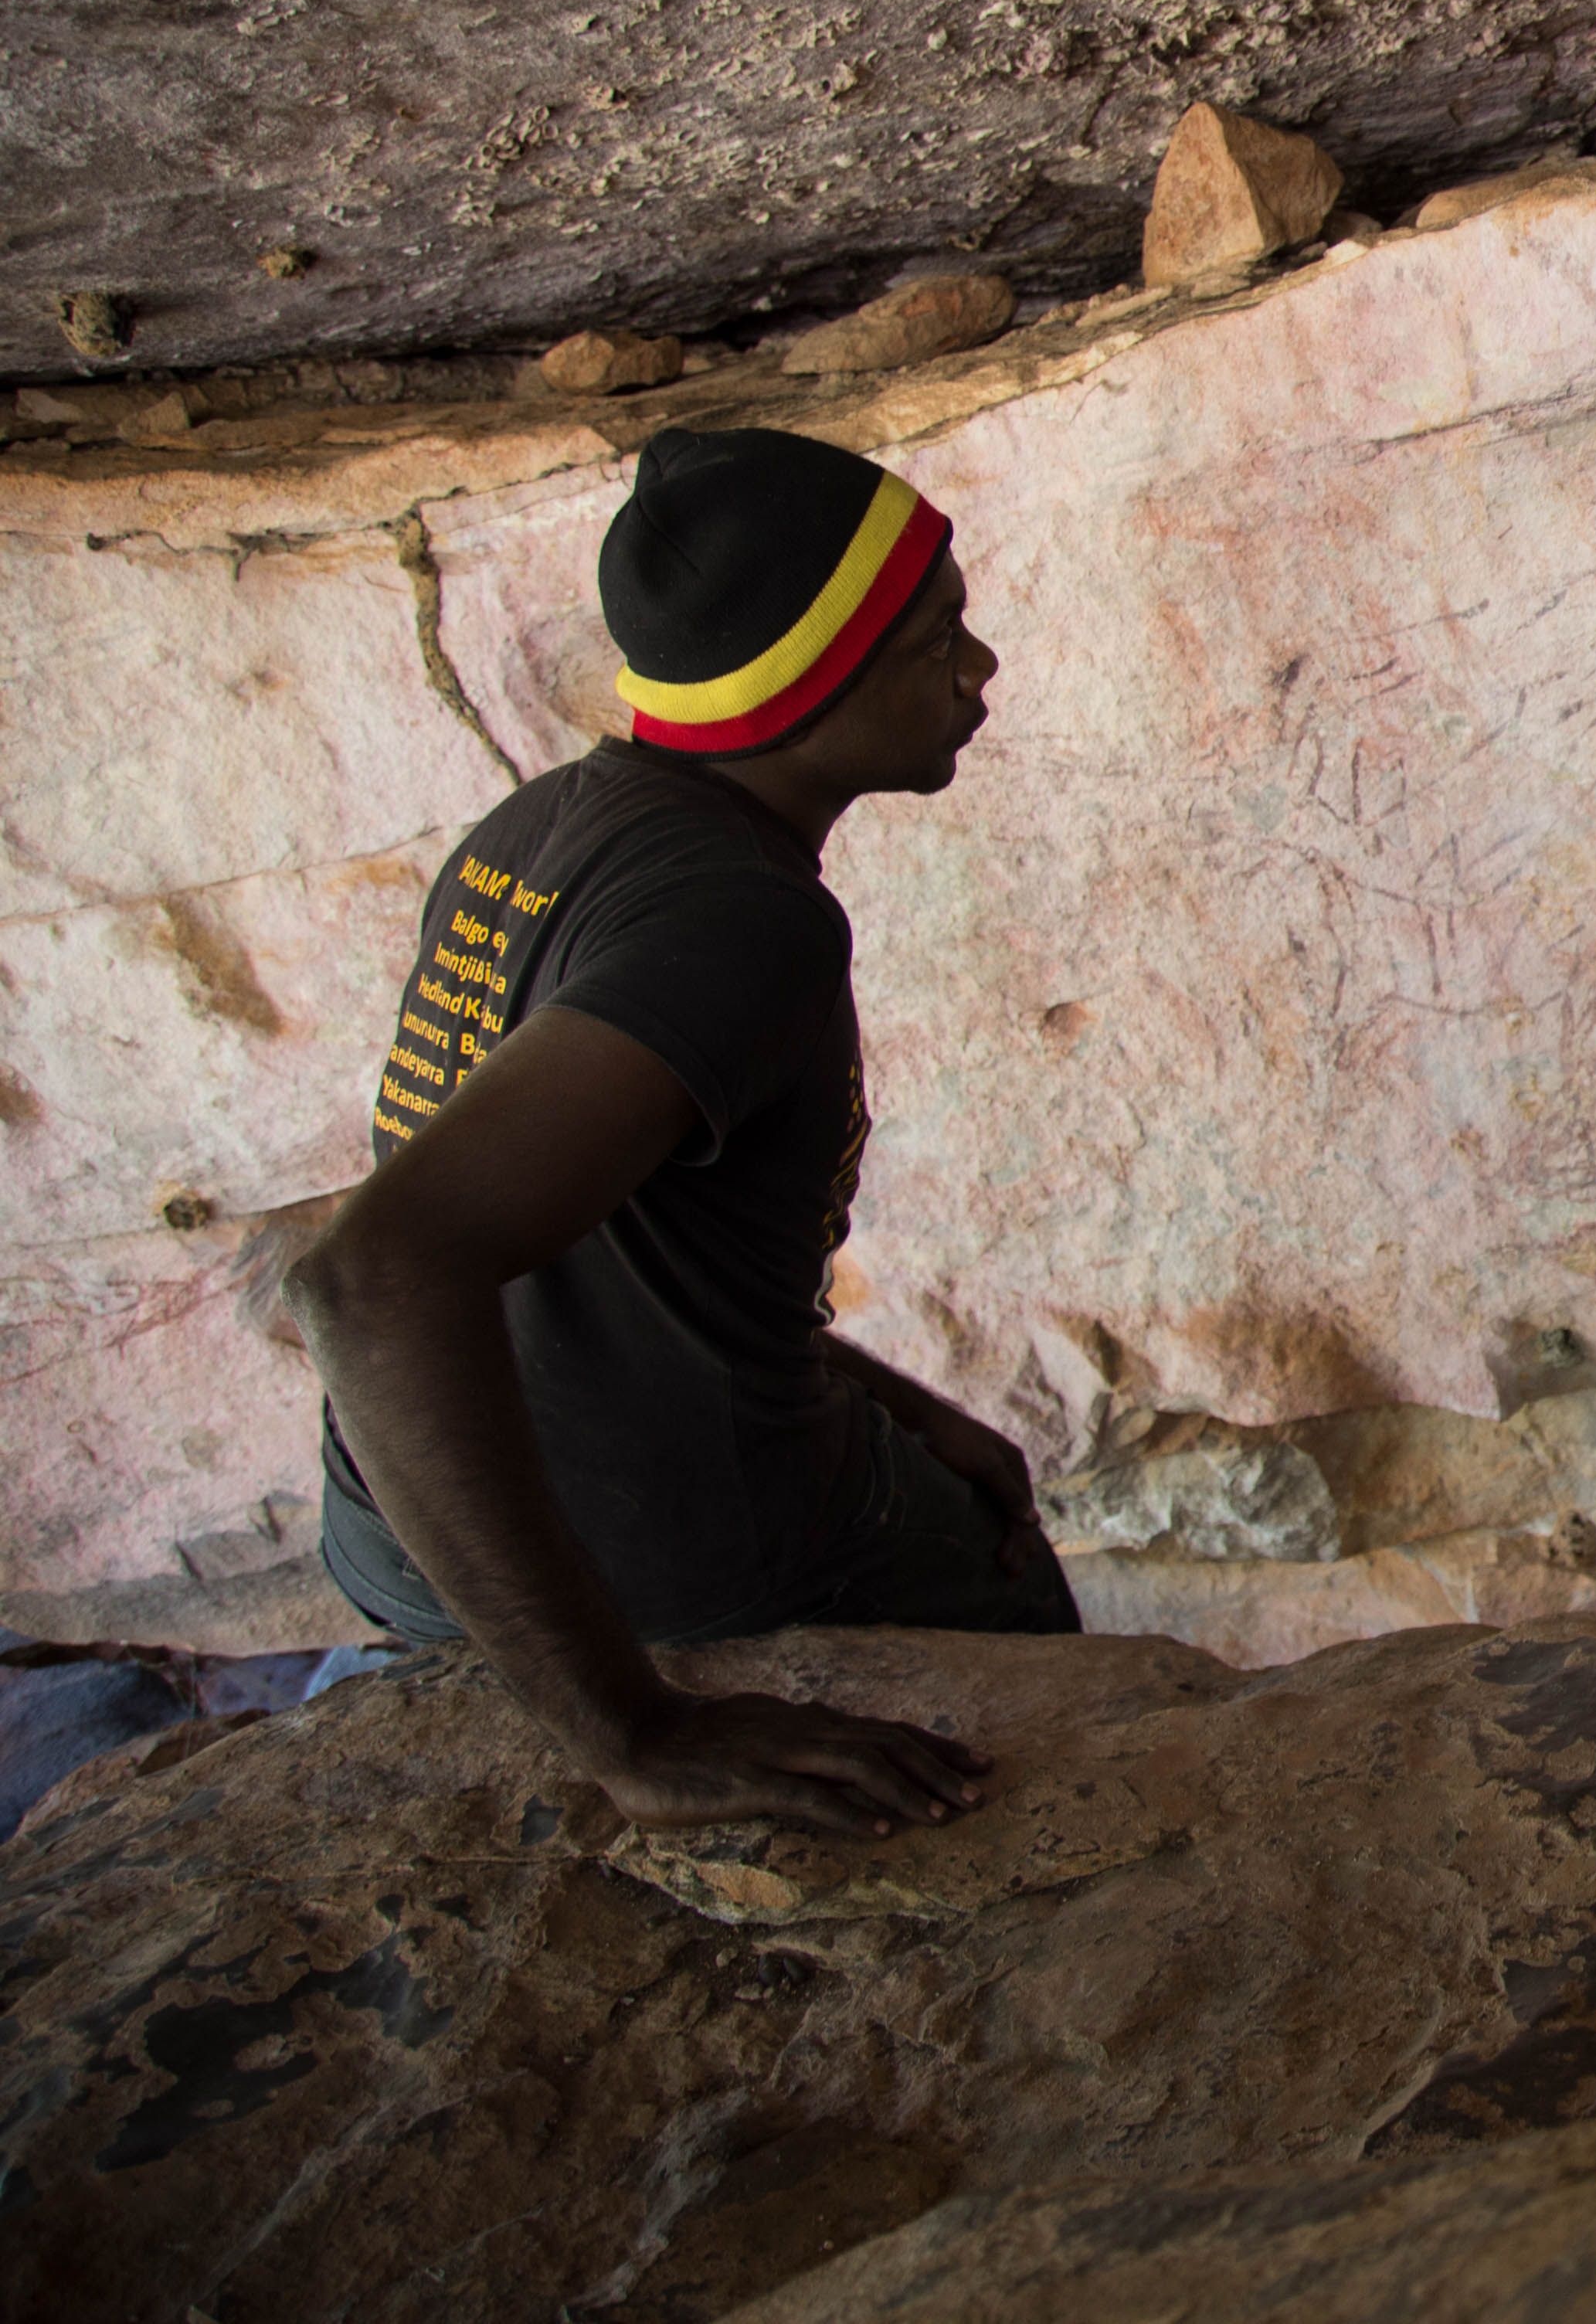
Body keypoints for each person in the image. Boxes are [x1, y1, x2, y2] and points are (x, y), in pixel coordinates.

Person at [294, 426, 1074, 1841]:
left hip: (389, 1546)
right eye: (936, 638)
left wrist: (894, 1403)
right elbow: (370, 1277)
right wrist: (632, 1733)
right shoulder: (746, 920)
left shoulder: (535, 831)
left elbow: (623, 1254)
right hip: (664, 1561)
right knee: (1002, 1597)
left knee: (943, 1472)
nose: (980, 670)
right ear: (815, 684)